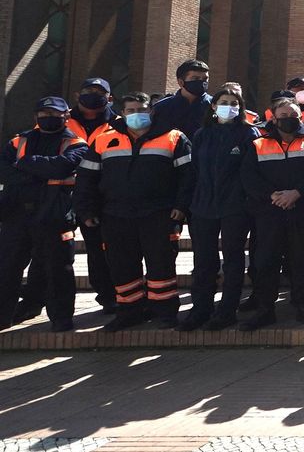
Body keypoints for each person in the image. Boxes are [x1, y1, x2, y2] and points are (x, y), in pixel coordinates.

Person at [74, 92, 195, 331]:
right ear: (122, 113)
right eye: (130, 110)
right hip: (115, 213)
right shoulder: (104, 139)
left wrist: (181, 207)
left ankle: (164, 311)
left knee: (161, 265)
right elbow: (87, 178)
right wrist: (86, 210)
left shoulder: (174, 137)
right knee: (121, 265)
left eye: (142, 109)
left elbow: (188, 178)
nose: (136, 114)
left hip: (160, 213)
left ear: (151, 111)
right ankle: (129, 311)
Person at [239, 97, 304, 330]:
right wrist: (272, 196)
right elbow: (249, 176)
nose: (288, 120)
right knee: (265, 262)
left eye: (292, 116)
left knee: (302, 261)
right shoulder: (258, 143)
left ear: (300, 116)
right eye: (282, 116)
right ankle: (265, 310)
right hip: (269, 213)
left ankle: (303, 306)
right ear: (273, 117)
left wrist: (297, 193)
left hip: (303, 211)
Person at [0, 97, 87, 331]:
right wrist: (40, 173)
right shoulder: (18, 140)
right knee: (6, 267)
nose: (48, 117)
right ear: (35, 116)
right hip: (16, 214)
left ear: (66, 116)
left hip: (54, 215)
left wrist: (25, 163)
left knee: (59, 269)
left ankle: (61, 319)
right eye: (44, 113)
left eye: (55, 113)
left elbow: (61, 167)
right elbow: (4, 171)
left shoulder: (77, 143)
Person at [178, 84, 256, 331]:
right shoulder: (202, 135)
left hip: (235, 207)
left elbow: (251, 172)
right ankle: (201, 308)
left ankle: (227, 310)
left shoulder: (248, 134)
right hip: (203, 206)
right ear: (213, 106)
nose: (229, 107)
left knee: (233, 261)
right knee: (203, 261)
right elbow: (194, 172)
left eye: (235, 104)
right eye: (224, 102)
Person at [66, 77, 118, 311]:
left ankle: (107, 296)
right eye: (89, 90)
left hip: (99, 196)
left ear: (109, 98)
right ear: (78, 95)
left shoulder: (119, 124)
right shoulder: (61, 119)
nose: (93, 95)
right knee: (54, 253)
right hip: (61, 195)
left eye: (99, 92)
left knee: (100, 251)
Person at [149, 58, 213, 138]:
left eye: (205, 79)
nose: (202, 82)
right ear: (181, 82)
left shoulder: (214, 106)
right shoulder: (162, 107)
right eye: (195, 78)